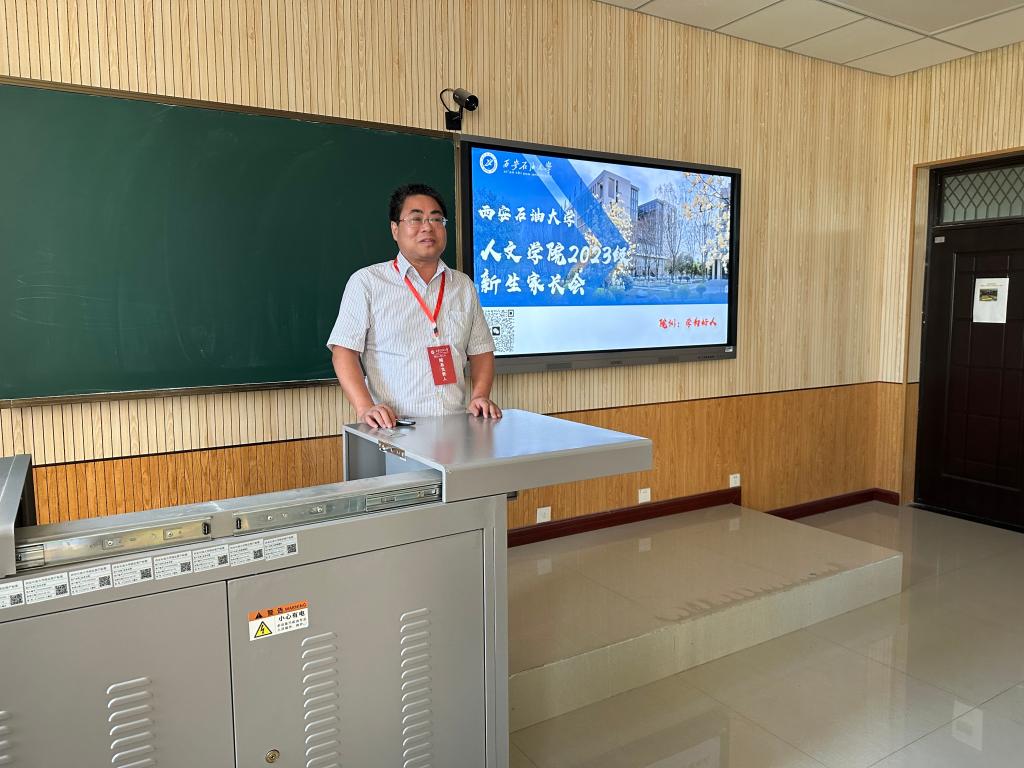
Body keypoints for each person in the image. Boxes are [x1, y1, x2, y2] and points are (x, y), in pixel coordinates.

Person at [327, 183, 502, 429]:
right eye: (416, 219)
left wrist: (480, 396)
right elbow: (343, 351)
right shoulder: (367, 282)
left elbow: (481, 350)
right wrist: (365, 407)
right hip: (394, 428)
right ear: (395, 229)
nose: (427, 227)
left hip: (456, 427)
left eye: (436, 219)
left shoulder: (463, 286)